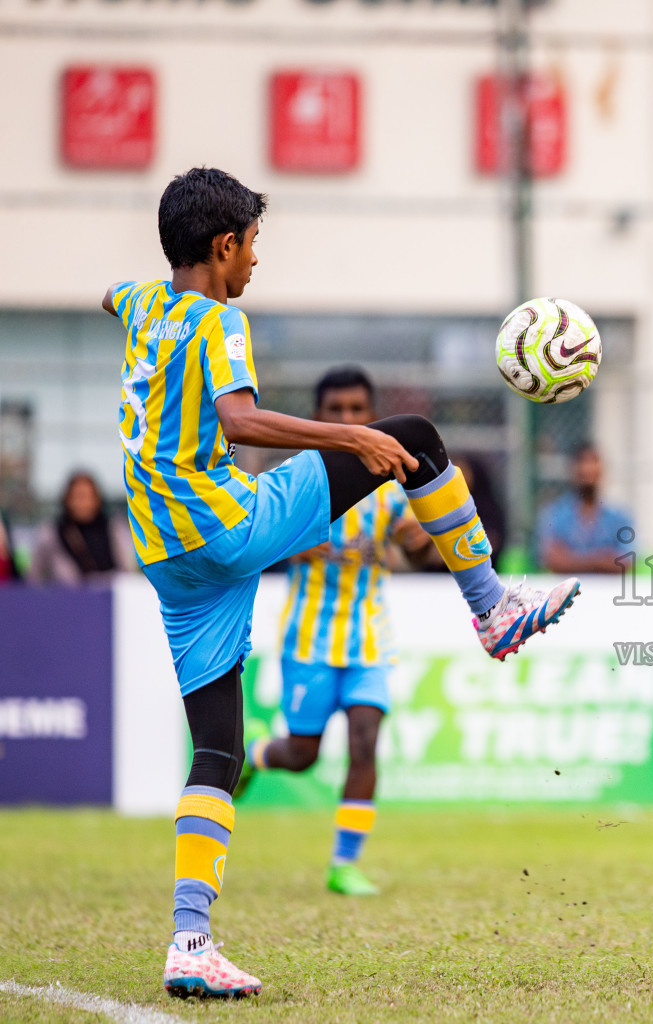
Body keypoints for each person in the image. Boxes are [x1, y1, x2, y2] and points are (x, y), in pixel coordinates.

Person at [109, 168, 580, 1000]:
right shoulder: (221, 317)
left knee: (217, 748)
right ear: (223, 247)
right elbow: (242, 421)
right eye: (251, 245)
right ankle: (492, 607)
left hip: (164, 553)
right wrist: (352, 436)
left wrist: (138, 295)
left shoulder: (142, 304)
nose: (255, 262)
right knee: (415, 437)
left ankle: (191, 941)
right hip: (227, 525)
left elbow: (110, 296)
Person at [235, 367, 437, 897]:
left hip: (369, 637)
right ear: (318, 416)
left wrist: (437, 539)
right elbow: (248, 541)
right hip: (309, 639)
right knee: (302, 756)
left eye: (356, 410)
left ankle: (344, 863)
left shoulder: (389, 486)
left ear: (371, 416)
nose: (346, 418)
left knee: (366, 740)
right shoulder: (293, 480)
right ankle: (256, 751)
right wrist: (288, 545)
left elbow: (418, 546)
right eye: (335, 411)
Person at [536, 443, 635, 574]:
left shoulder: (620, 516)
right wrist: (603, 558)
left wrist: (572, 559)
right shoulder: (555, 514)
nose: (588, 470)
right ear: (572, 470)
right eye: (583, 463)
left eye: (593, 463)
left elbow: (626, 562)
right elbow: (553, 560)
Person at [27, 471, 136, 583]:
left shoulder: (114, 528)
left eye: (87, 496)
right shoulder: (51, 533)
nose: (83, 502)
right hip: (65, 598)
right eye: (77, 496)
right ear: (67, 499)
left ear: (97, 499)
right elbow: (34, 577)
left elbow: (128, 571)